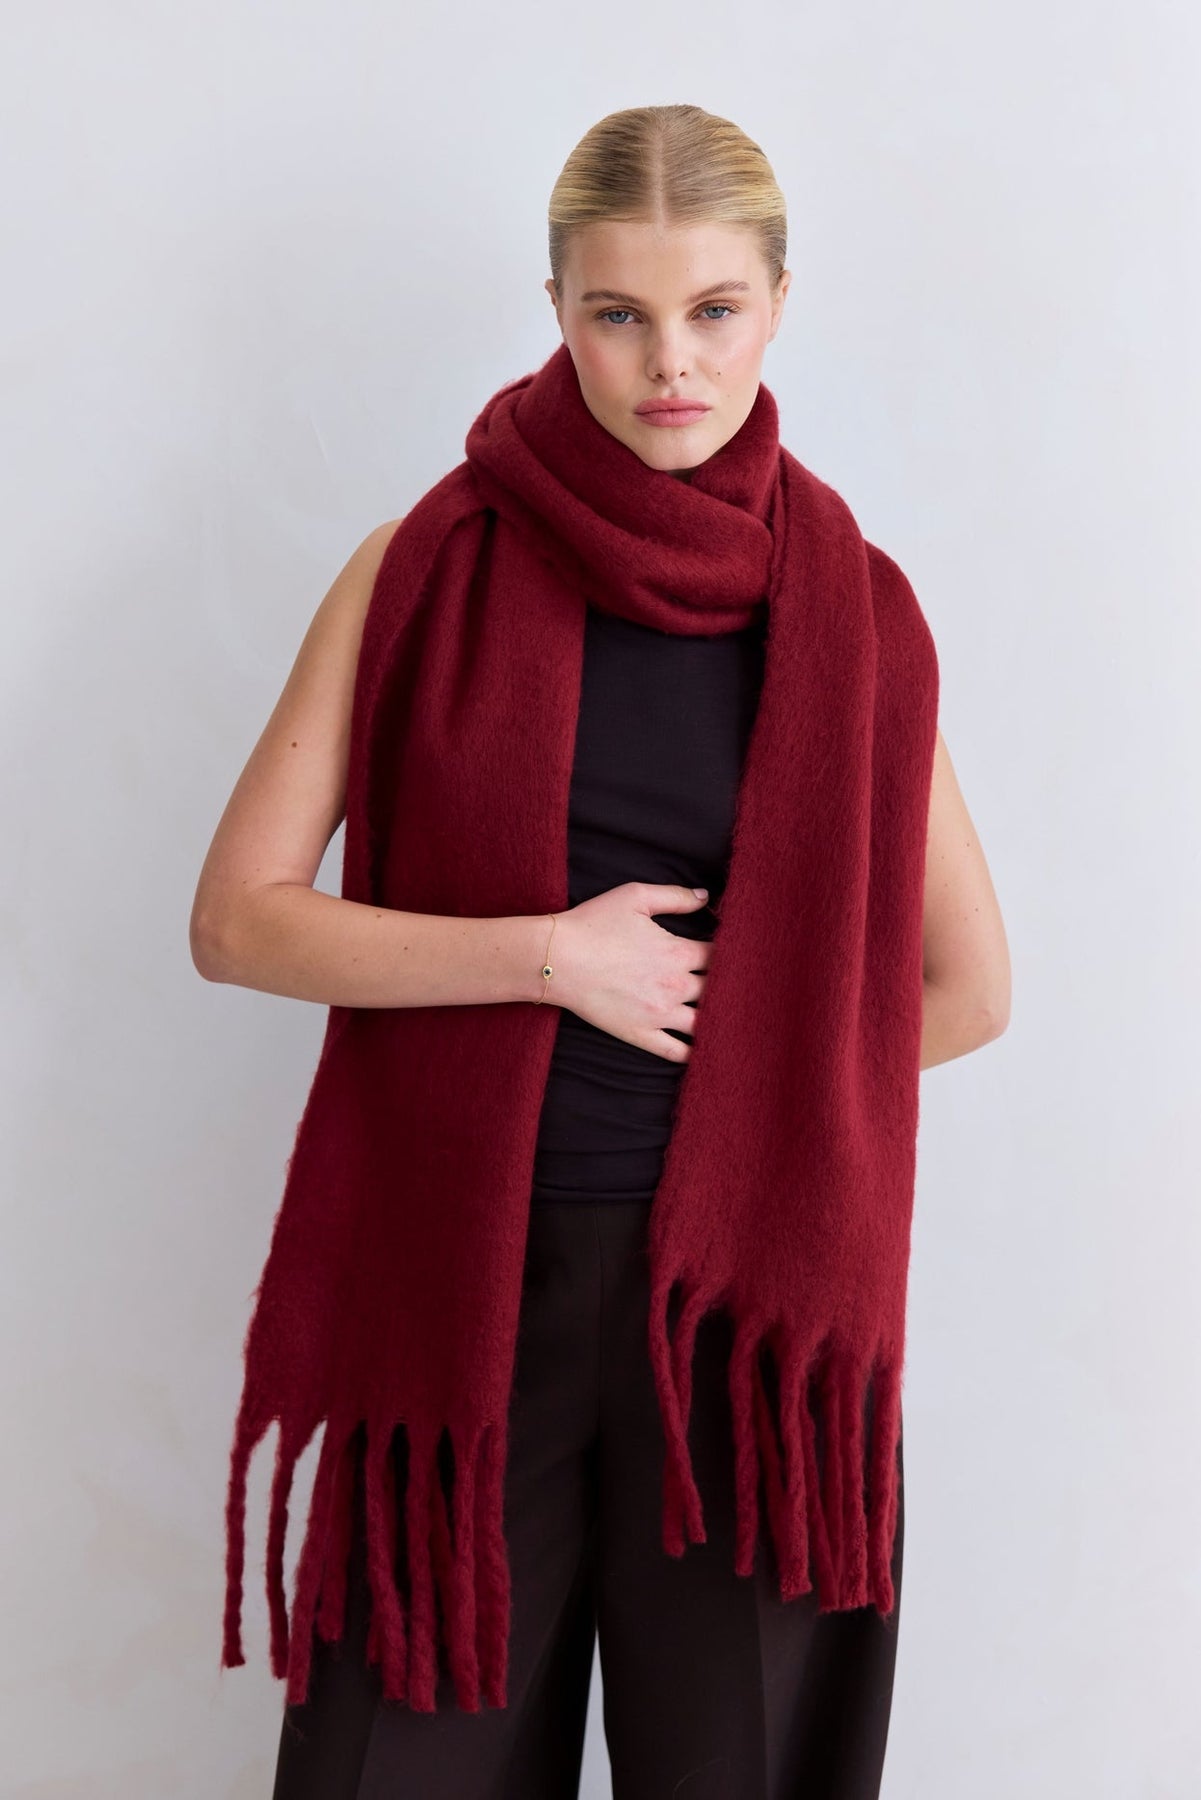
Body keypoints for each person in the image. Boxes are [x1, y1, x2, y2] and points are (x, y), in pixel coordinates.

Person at [191, 103, 1010, 1800]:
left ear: (776, 303)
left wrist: (754, 1080)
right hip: (473, 1295)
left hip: (743, 1324)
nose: (669, 363)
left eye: (712, 309)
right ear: (556, 305)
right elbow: (240, 918)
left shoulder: (854, 611)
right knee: (393, 1764)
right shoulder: (422, 567)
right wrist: (546, 960)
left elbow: (965, 988)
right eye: (618, 314)